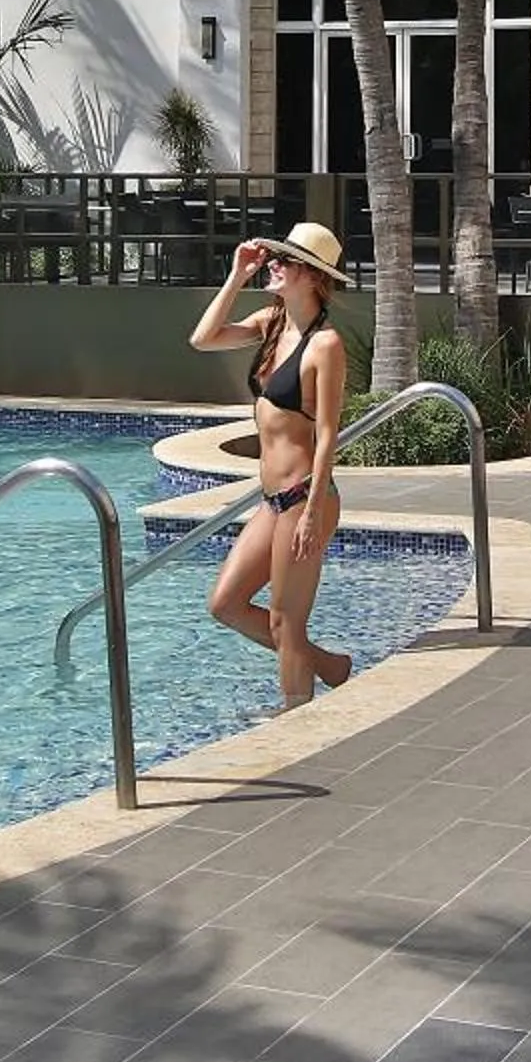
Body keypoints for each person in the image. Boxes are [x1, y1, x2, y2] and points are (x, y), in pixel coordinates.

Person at [188, 222, 356, 707]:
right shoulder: (270, 322)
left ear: (311, 276)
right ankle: (328, 666)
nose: (274, 265)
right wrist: (237, 276)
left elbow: (327, 434)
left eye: (285, 260)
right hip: (271, 501)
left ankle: (294, 721)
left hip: (306, 497)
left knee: (286, 623)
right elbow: (203, 338)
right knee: (226, 604)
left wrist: (311, 511)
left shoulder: (325, 345)